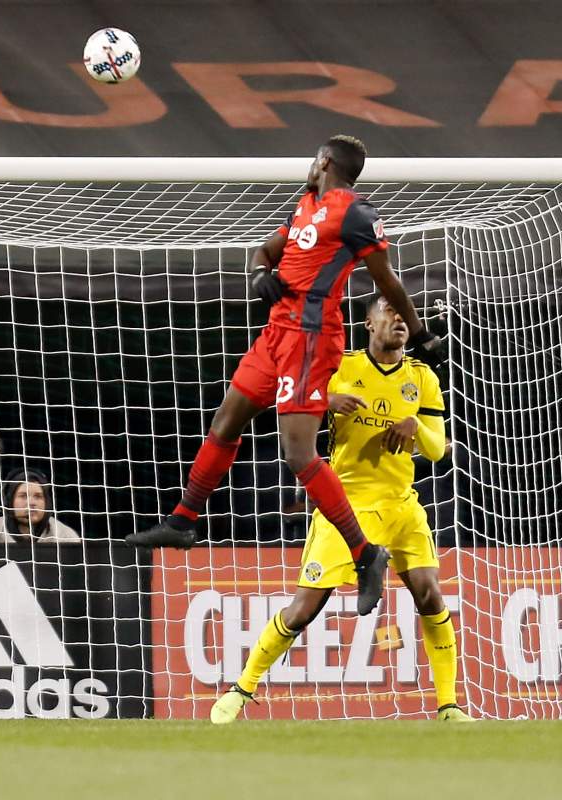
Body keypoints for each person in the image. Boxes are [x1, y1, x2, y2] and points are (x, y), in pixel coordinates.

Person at [128, 134, 445, 617]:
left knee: (298, 454)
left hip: (312, 338)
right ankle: (184, 519)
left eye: (313, 158)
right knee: (225, 422)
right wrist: (259, 273)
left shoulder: (355, 213)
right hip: (277, 333)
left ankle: (365, 555)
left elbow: (387, 280)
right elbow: (267, 250)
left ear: (323, 161)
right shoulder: (305, 205)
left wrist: (420, 335)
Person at [211, 295, 474, 723]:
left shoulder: (422, 377)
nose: (399, 320)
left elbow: (438, 448)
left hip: (401, 505)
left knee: (429, 593)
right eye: (386, 312)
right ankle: (242, 689)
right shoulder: (341, 367)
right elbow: (291, 401)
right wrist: (326, 401)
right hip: (345, 508)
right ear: (368, 325)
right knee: (304, 608)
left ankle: (449, 706)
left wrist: (416, 426)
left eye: (403, 314)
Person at [0, 468, 80, 544]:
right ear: (9, 501)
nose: (31, 503)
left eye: (38, 496)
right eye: (23, 496)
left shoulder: (65, 537)